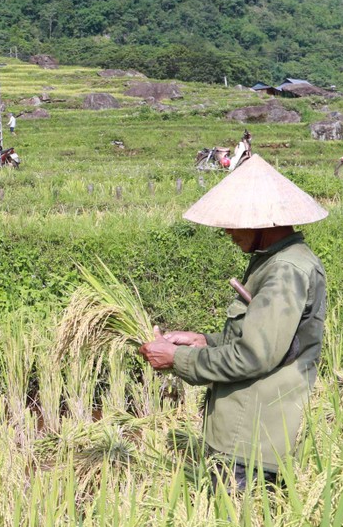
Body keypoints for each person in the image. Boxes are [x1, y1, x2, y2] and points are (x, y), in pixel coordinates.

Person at [138, 154, 328, 491]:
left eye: (233, 221)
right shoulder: (274, 261)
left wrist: (178, 359)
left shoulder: (286, 270)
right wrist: (205, 342)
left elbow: (255, 355)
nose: (226, 230)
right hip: (245, 432)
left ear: (260, 221)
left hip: (252, 441)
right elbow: (264, 338)